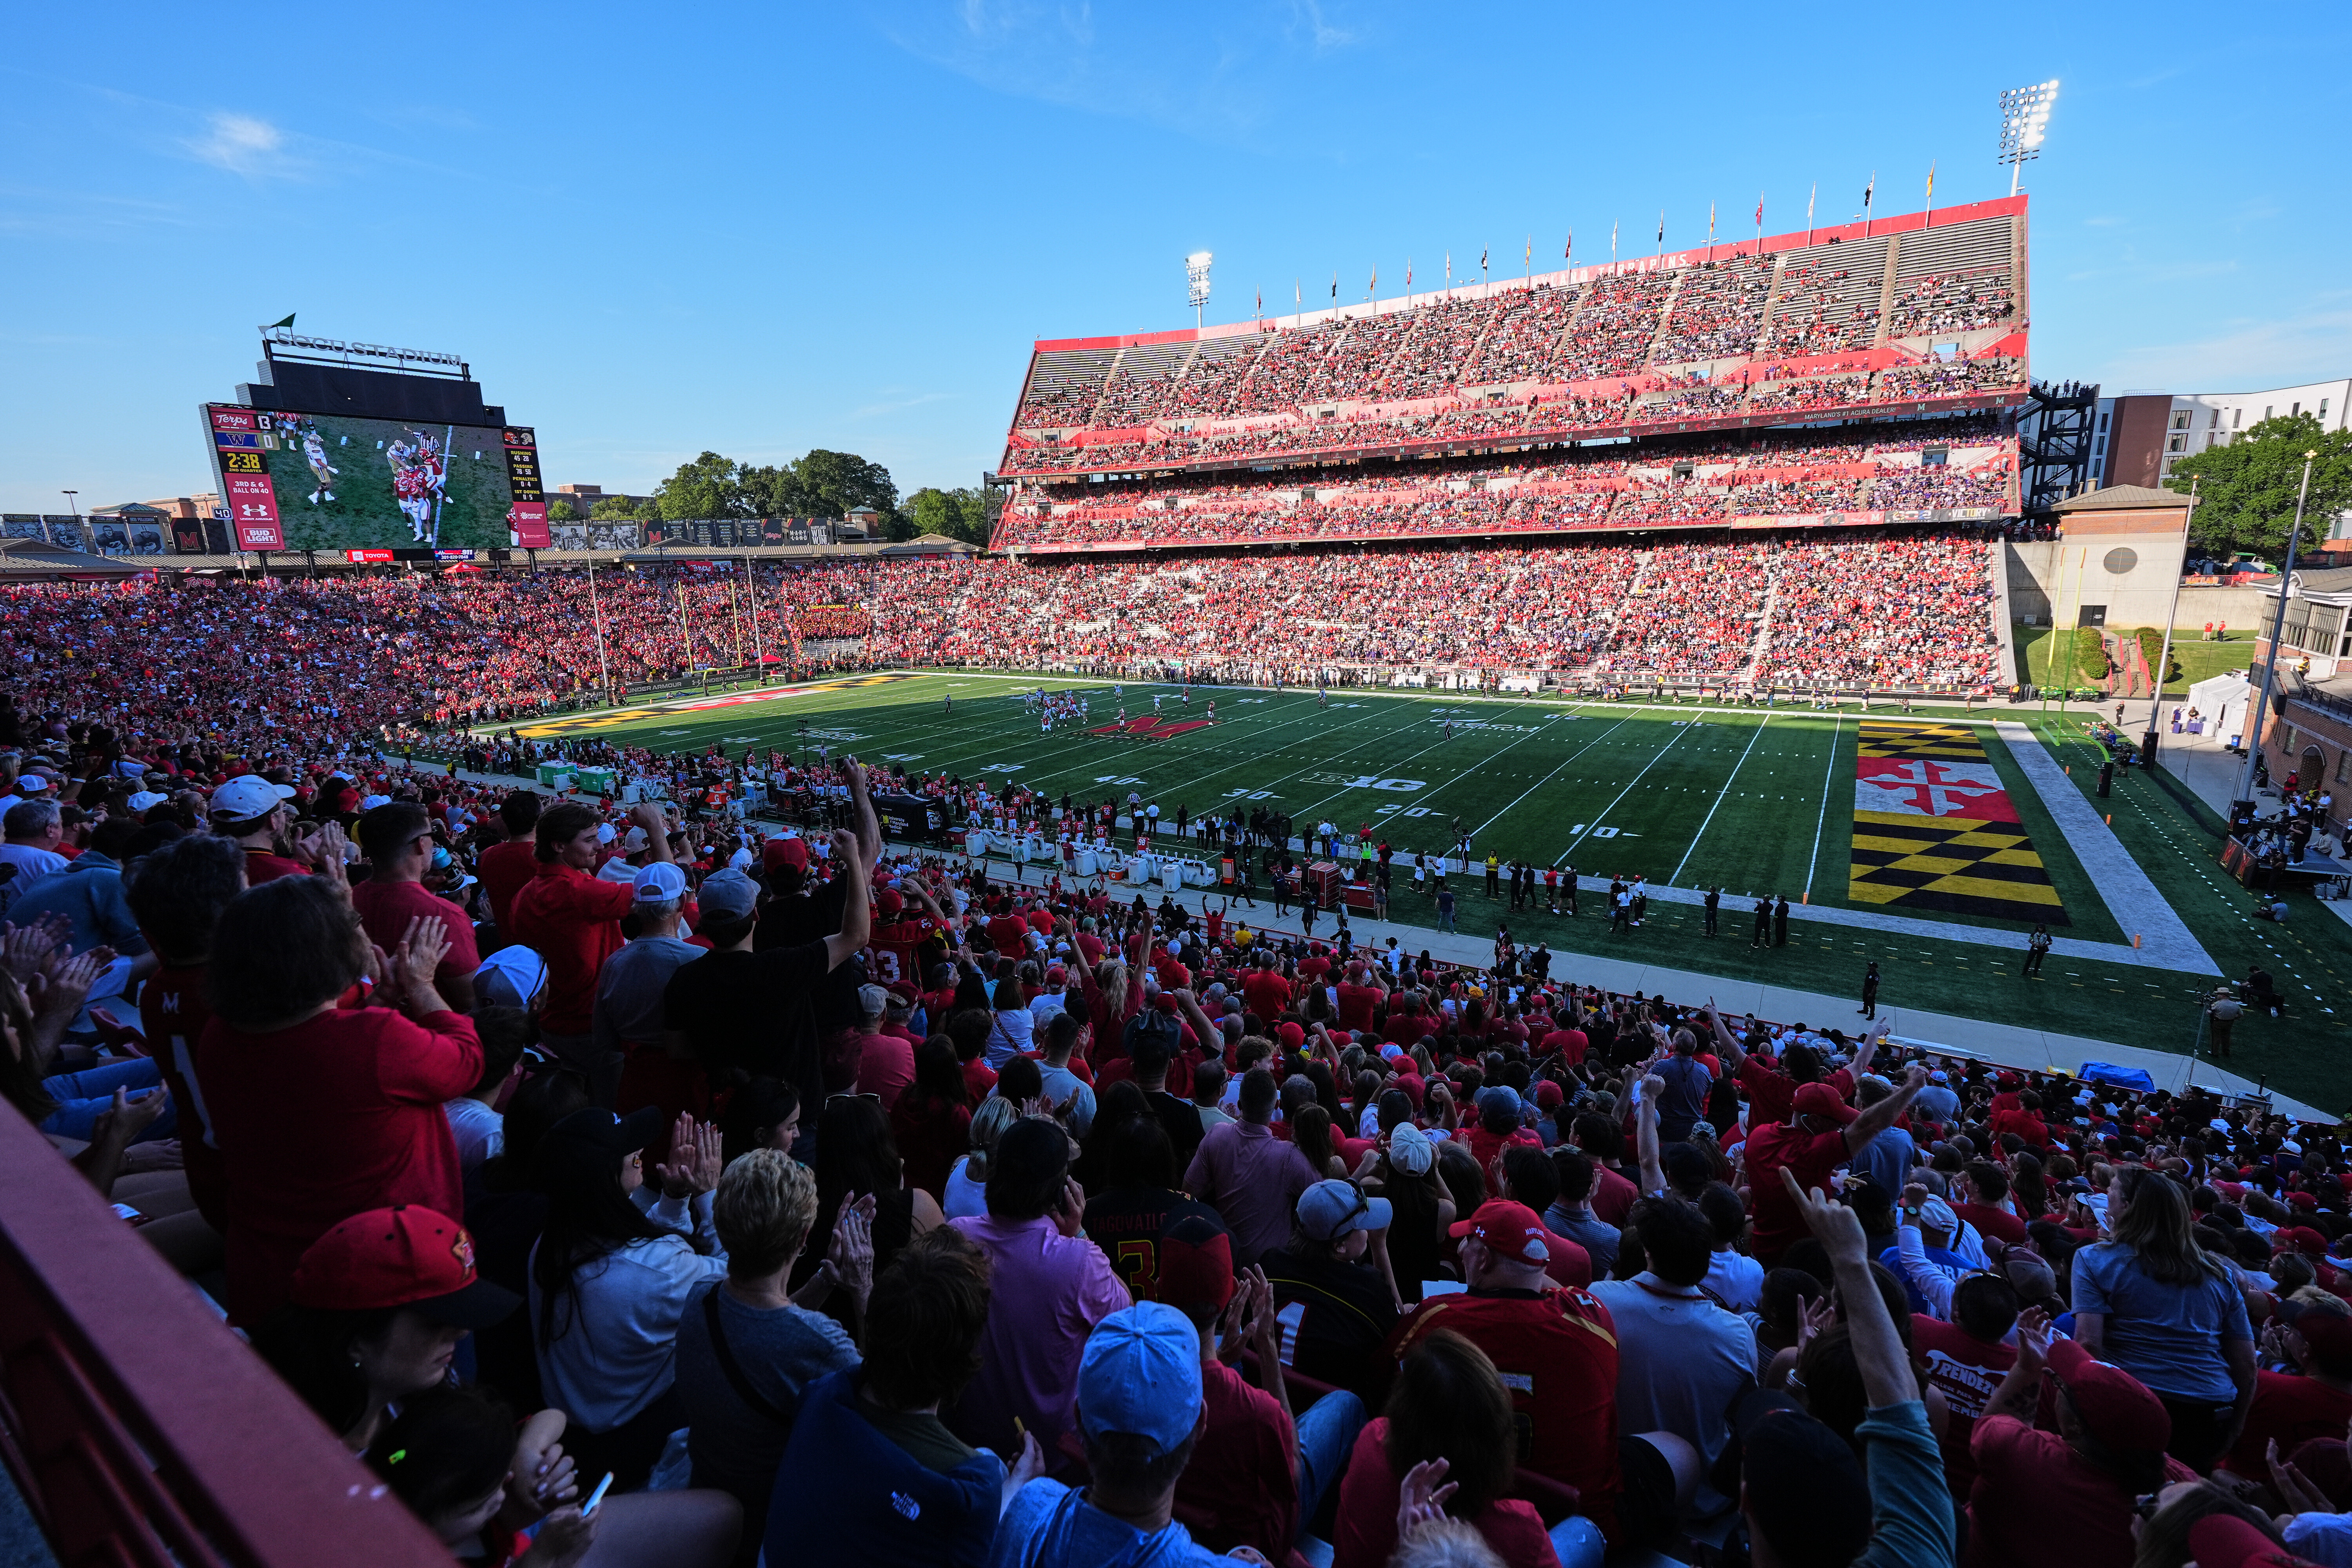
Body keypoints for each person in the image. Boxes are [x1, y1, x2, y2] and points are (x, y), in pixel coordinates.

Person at [197, 873, 481, 1326]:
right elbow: (465, 1061)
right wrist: (423, 985)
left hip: (269, 1269)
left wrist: (383, 1001)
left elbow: (319, 1062)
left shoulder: (218, 1035)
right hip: (377, 1280)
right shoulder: (373, 1042)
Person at [765, 1227, 1036, 1566]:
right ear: (962, 1356)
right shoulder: (971, 1487)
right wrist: (1019, 1488)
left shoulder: (819, 1397)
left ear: (875, 1320)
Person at [1389, 1199, 1625, 1545]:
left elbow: (1381, 1379)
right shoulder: (1592, 1321)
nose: (1460, 1248)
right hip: (1568, 1524)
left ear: (1483, 1259)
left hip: (1451, 1506)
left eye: (1468, 1242)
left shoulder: (1436, 1316)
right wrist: (1527, 1268)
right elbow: (1553, 1291)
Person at [674, 1148, 870, 1545]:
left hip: (701, 1497)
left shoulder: (700, 1299)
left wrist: (826, 1279)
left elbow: (765, 1320)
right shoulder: (821, 1343)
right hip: (771, 1523)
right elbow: (886, 1401)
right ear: (801, 1237)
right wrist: (862, 1287)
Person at [529, 1105, 727, 1490]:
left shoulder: (549, 1246)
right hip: (639, 1451)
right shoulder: (655, 1271)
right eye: (632, 1151)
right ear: (607, 1177)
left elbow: (640, 1263)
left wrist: (672, 1198)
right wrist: (709, 1195)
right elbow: (739, 1280)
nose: (642, 1152)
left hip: (570, 1438)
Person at [1158, 1215, 1366, 1560]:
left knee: (1232, 1356)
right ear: (1229, 1292)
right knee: (1347, 1403)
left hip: (1178, 1514)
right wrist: (1267, 1347)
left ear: (1159, 1287)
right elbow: (1293, 1476)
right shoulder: (1258, 1412)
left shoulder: (1130, 1374)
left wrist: (1221, 1361)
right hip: (1254, 1539)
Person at [988, 1301, 1242, 1567]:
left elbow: (1015, 1514)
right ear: (1201, 1421)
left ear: (1079, 1416)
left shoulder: (1026, 1508)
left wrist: (1021, 1485)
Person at [252, 1204, 521, 1452]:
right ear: (355, 1339)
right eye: (434, 1323)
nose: (462, 1332)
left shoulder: (424, 1403)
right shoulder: (293, 1450)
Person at [947, 1116, 1130, 1455]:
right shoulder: (1079, 1261)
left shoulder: (956, 1236)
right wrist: (1078, 1233)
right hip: (1056, 1456)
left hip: (969, 1445)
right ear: (1060, 1190)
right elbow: (1125, 1313)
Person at [664, 841, 870, 1138]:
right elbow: (857, 935)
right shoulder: (781, 969)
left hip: (730, 1116)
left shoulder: (684, 979)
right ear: (755, 916)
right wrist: (852, 858)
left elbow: (678, 1049)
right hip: (789, 1120)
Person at [1332, 1329, 1578, 1568]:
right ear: (1498, 1436)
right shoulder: (1523, 1531)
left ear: (1401, 1407)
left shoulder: (1371, 1441)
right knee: (1582, 1529)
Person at [2072, 1164, 2257, 1471]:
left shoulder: (2094, 1259)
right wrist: (2234, 1429)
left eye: (2111, 1194)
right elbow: (2246, 1365)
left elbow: (2088, 1344)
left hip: (2132, 1403)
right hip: (2207, 1414)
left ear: (2128, 1207)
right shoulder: (2220, 1274)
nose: (2105, 1198)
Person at [1589, 1196, 1756, 1529]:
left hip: (1622, 1491)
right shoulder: (1736, 1334)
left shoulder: (1600, 1300)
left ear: (1647, 1251)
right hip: (1703, 1502)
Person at [509, 801, 675, 1098]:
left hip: (553, 1022)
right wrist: (654, 826)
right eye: (589, 839)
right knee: (610, 1109)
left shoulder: (524, 895)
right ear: (558, 845)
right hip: (591, 1026)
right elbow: (669, 887)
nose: (600, 846)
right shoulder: (579, 893)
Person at [1741, 1065, 1928, 1268]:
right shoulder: (1814, 1153)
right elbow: (1870, 1124)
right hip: (1799, 1259)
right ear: (1814, 1121)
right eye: (1837, 1121)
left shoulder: (1761, 1134)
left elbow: (1783, 1170)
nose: (1841, 1126)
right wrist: (1912, 1086)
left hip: (1761, 1246)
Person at [1258, 1179, 1404, 1410]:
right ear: (1339, 1246)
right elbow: (1400, 1332)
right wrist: (1380, 1246)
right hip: (1330, 1414)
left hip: (1265, 1397)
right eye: (1362, 1225)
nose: (1368, 1230)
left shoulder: (1270, 1262)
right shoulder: (1369, 1288)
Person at [350, 800, 480, 1014]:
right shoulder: (444, 915)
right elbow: (470, 998)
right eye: (431, 837)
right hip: (431, 1032)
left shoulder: (349, 900)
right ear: (421, 844)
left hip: (371, 1023)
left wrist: (424, 892)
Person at [1185, 1067, 1322, 1266]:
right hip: (1270, 1272)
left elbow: (1188, 1194)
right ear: (1277, 1105)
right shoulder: (1289, 1156)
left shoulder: (1217, 1136)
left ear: (1240, 1105)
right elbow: (1326, 1202)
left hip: (1222, 1260)